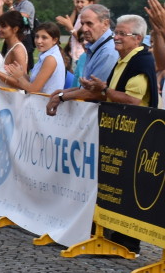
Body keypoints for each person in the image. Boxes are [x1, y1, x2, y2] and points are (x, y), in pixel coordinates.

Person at [47, 15, 157, 255]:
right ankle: (109, 236)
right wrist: (101, 90)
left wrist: (104, 90)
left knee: (127, 189)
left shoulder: (140, 61)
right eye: (116, 32)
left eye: (122, 34)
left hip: (135, 137)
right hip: (120, 134)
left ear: (137, 38)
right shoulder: (122, 59)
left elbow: (134, 100)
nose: (116, 37)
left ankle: (127, 243)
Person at [0, 22, 65, 94]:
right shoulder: (46, 55)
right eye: (37, 37)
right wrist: (22, 75)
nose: (39, 41)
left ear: (54, 40)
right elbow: (33, 82)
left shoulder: (50, 59)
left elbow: (33, 89)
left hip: (44, 107)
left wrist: (19, 76)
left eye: (44, 37)